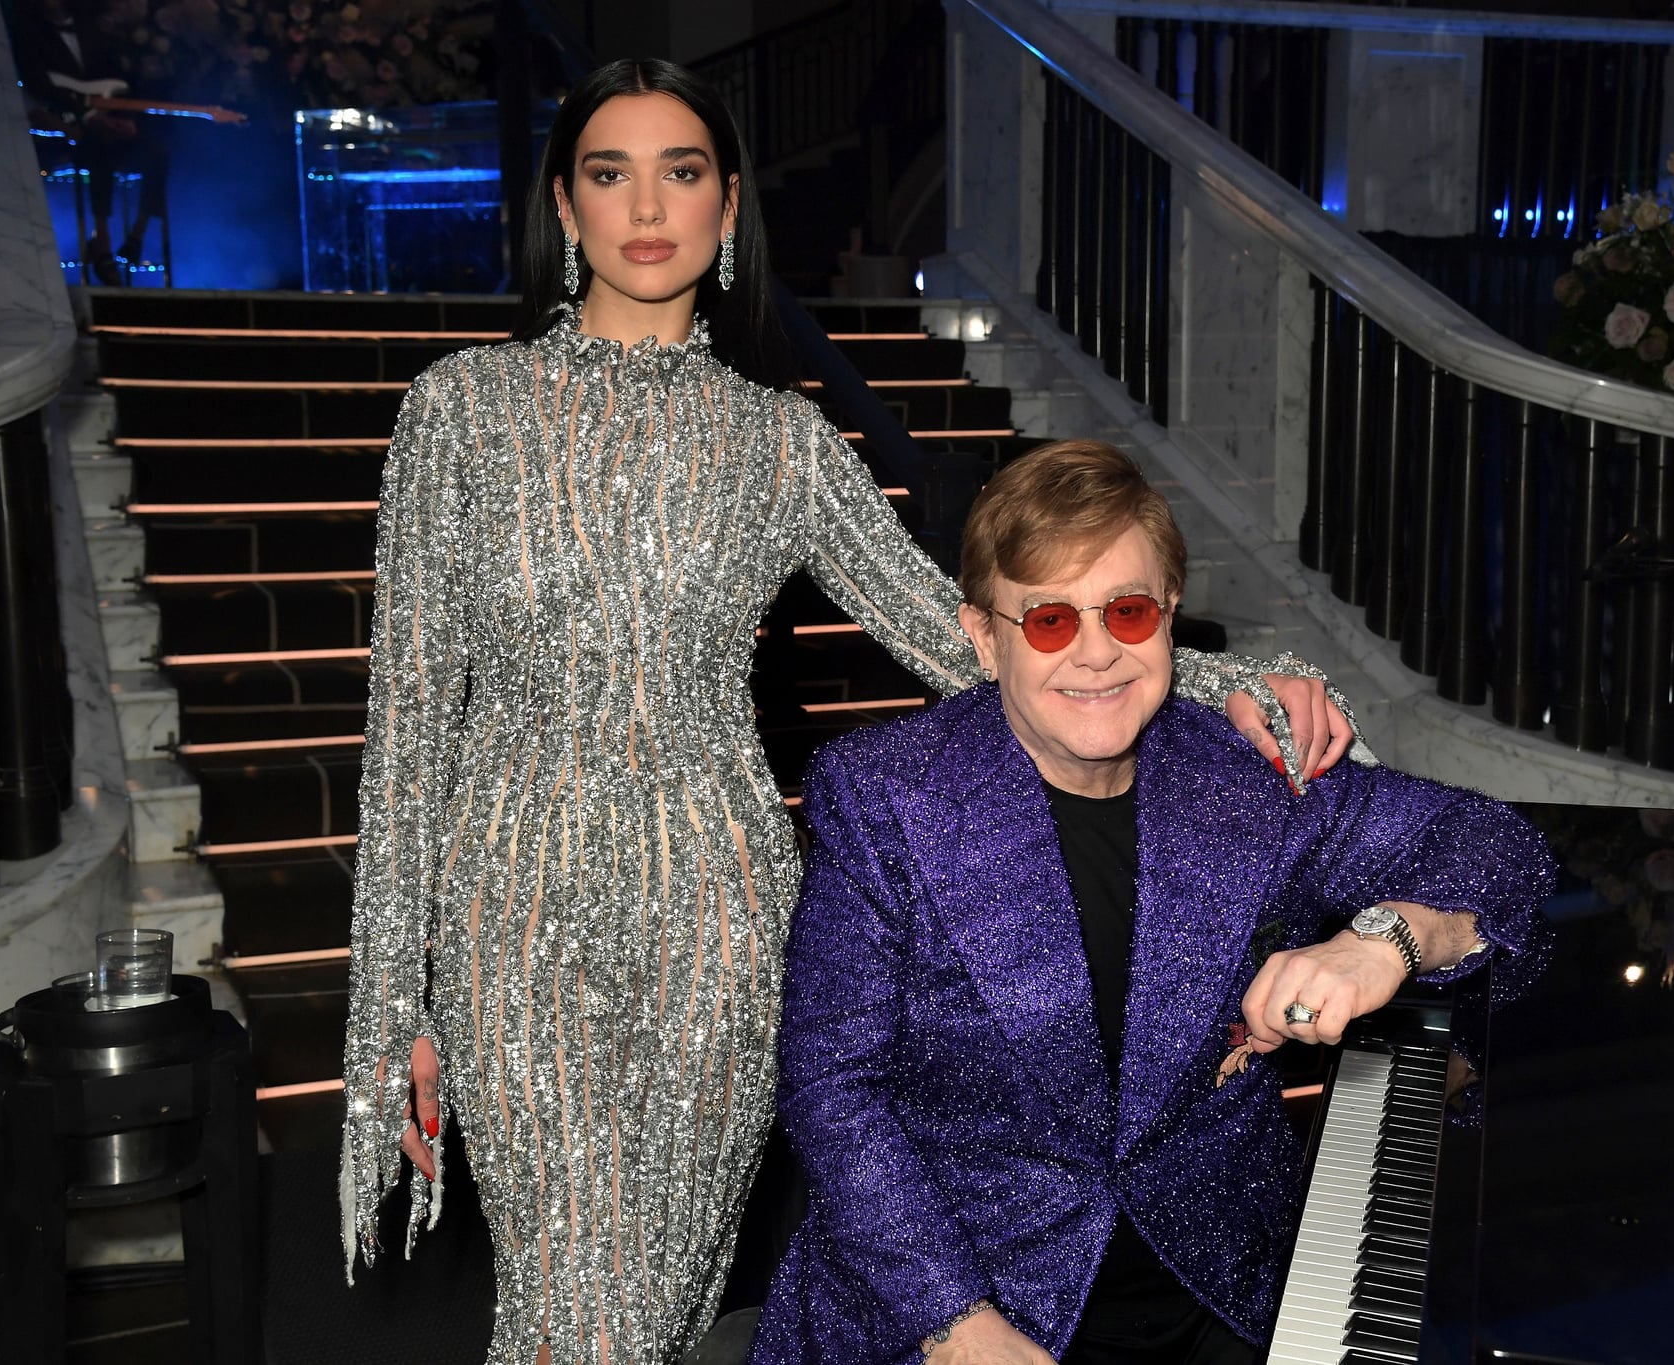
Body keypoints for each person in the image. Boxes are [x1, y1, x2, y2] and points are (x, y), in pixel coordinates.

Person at [339, 60, 1364, 1365]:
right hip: (514, 915)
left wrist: (1224, 675)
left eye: (683, 171)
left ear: (727, 211)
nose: (646, 204)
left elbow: (959, 639)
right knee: (571, 1309)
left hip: (715, 915)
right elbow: (412, 721)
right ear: (565, 204)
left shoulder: (781, 441)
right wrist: (395, 1002)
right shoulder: (459, 411)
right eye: (611, 172)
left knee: (652, 1307)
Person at [748, 441, 1556, 1365]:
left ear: (1169, 616)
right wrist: (956, 1324)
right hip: (952, 1293)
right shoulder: (884, 792)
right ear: (983, 636)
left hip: (1219, 1287)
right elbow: (831, 1087)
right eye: (1050, 619)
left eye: (1127, 611)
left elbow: (1502, 848)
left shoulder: (1243, 785)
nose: (1097, 653)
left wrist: (1387, 938)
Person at [9, 0, 169, 283]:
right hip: (67, 130)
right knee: (97, 146)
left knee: (158, 150)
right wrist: (85, 115)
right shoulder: (29, 35)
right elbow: (39, 87)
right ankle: (102, 240)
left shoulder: (93, 29)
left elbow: (118, 79)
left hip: (108, 119)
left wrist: (125, 117)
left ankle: (137, 234)